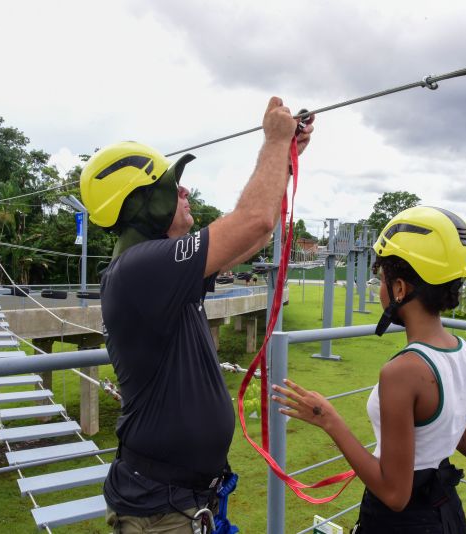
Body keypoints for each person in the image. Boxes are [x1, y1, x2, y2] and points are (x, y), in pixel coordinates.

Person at [80, 97, 315, 533]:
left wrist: (284, 155)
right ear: (142, 204)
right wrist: (275, 140)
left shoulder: (154, 269)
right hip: (160, 510)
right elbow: (255, 221)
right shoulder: (142, 269)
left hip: (177, 501)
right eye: (172, 186)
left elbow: (246, 242)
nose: (184, 191)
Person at [272, 207, 466, 533]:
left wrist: (328, 420)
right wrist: (442, 421)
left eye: (382, 279)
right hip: (448, 516)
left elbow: (394, 494)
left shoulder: (401, 372)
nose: (380, 289)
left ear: (400, 289)